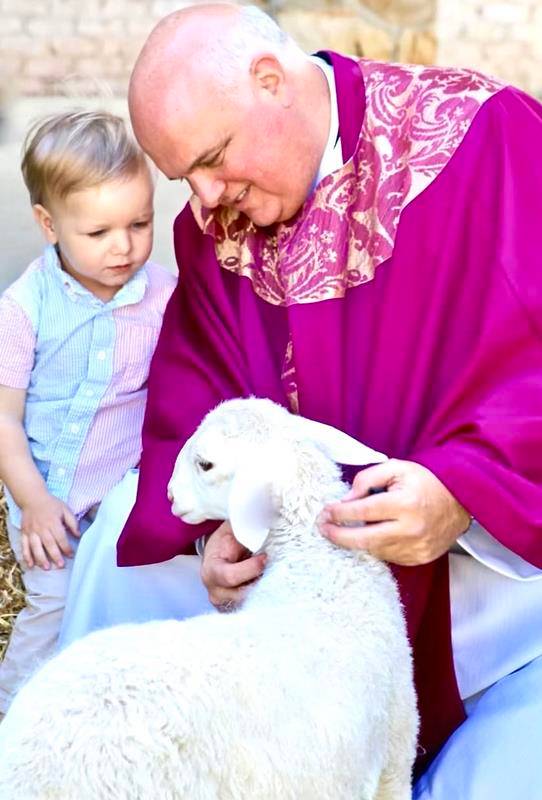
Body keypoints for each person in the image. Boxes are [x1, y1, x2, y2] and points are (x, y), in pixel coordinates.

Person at [67, 4, 542, 796]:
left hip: (488, 588)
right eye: (184, 175)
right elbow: (199, 384)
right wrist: (216, 533)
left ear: (271, 81)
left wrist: (465, 491)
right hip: (296, 583)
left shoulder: (488, 140)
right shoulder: (215, 219)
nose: (206, 196)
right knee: (116, 538)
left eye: (214, 158)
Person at [0, 110, 179, 717]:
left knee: (119, 608)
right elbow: (4, 419)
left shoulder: (162, 297)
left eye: (139, 223)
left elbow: (174, 393)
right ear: (49, 225)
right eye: (98, 232)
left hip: (122, 495)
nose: (123, 246)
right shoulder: (24, 308)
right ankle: (18, 722)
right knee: (49, 611)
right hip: (47, 497)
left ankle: (107, 716)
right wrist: (33, 503)